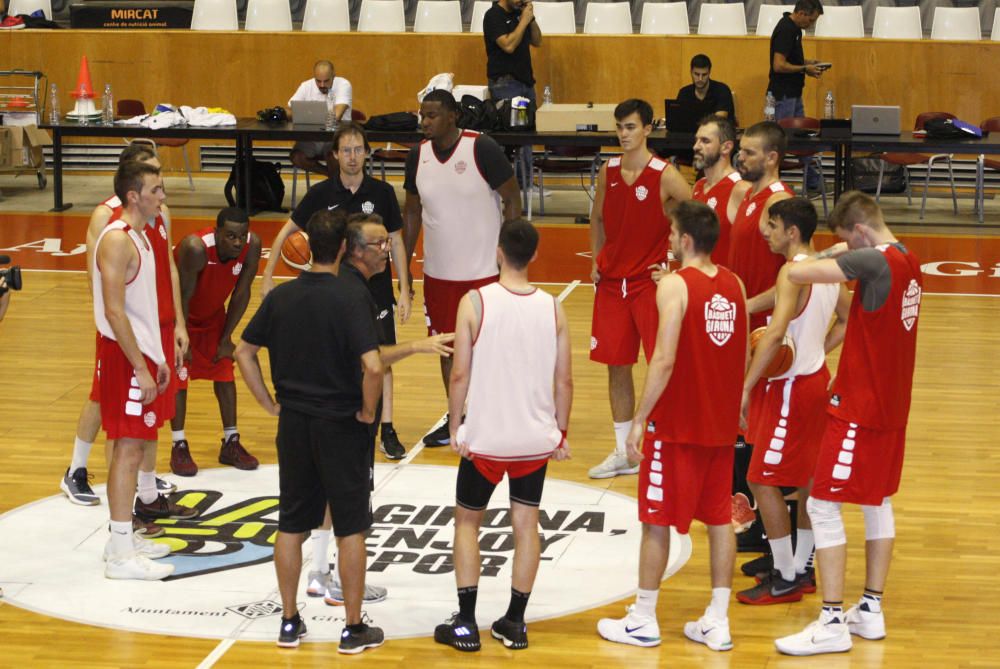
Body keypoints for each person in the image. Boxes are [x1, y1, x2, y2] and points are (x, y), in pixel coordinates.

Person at [775, 192, 922, 655]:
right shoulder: (910, 260)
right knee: (876, 501)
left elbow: (797, 270)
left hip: (859, 405)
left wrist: (828, 253)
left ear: (858, 233)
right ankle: (871, 610)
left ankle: (833, 619)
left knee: (821, 505)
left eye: (846, 239)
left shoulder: (874, 262)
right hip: (892, 406)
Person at [597, 200, 747, 651]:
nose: (666, 239)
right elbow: (738, 351)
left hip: (678, 424)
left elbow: (662, 358)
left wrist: (640, 419)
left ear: (684, 240)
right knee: (720, 520)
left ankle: (643, 617)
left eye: (670, 233)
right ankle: (717, 620)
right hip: (719, 425)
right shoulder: (735, 284)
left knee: (656, 521)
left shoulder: (674, 288)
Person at [235, 209, 385, 654]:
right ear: (342, 247)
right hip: (341, 424)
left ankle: (288, 620)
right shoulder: (349, 297)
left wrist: (267, 402)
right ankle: (353, 629)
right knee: (351, 527)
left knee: (291, 524)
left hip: (294, 423)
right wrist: (367, 410)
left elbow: (243, 352)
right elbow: (374, 366)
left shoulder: (281, 297)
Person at [434, 219, 572, 652]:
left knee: (468, 523)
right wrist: (560, 432)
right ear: (533, 255)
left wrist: (456, 424)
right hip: (533, 441)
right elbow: (564, 381)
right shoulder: (553, 307)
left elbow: (459, 373)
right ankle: (514, 621)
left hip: (487, 440)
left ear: (498, 251)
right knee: (526, 525)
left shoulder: (475, 301)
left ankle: (466, 623)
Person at [304, 213, 454, 607]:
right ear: (354, 250)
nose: (387, 250)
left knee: (326, 493)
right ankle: (338, 580)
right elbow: (371, 359)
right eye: (378, 244)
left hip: (318, 404)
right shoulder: (355, 294)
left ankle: (319, 572)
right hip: (348, 409)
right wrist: (418, 346)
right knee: (352, 503)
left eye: (387, 242)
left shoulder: (338, 284)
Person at [261, 123, 413, 460]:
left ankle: (386, 428)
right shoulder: (321, 194)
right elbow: (287, 230)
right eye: (346, 150)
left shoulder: (382, 193)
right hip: (335, 294)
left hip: (375, 289)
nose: (353, 156)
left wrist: (404, 288)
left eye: (359, 150)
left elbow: (398, 241)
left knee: (383, 355)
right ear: (334, 154)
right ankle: (344, 417)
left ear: (367, 153)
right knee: (340, 355)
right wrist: (268, 273)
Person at [61, 143, 190, 538]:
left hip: (154, 332)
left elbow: (166, 268)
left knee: (145, 426)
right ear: (134, 184)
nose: (162, 192)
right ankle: (80, 472)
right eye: (155, 180)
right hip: (122, 339)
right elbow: (105, 294)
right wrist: (119, 340)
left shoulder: (151, 225)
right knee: (115, 417)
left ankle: (145, 496)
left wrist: (175, 325)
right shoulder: (110, 223)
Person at [734, 197, 850, 606]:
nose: (765, 231)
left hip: (789, 388)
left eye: (772, 224)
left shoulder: (792, 272)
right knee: (805, 482)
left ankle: (785, 577)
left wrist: (745, 386)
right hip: (814, 380)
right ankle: (802, 568)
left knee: (760, 478)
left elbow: (775, 331)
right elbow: (848, 319)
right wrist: (818, 346)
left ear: (792, 232)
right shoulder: (826, 271)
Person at [403, 89, 522, 446]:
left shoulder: (481, 147)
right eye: (422, 115)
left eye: (432, 115)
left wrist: (509, 257)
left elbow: (513, 197)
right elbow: (411, 211)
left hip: (485, 272)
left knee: (490, 350)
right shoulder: (417, 156)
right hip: (438, 274)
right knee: (446, 348)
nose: (424, 122)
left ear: (452, 116)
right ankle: (458, 415)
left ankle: (497, 416)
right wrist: (405, 264)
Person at [587, 98, 691, 480]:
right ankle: (623, 452)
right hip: (613, 284)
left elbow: (697, 215)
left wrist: (677, 265)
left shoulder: (664, 174)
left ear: (648, 128)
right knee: (617, 367)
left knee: (662, 364)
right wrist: (594, 261)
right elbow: (597, 217)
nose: (623, 134)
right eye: (619, 127)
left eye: (630, 127)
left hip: (650, 283)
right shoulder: (607, 169)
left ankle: (667, 447)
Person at [94, 161, 176, 580]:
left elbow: (143, 310)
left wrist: (158, 358)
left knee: (137, 444)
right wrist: (141, 368)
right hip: (124, 360)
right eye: (156, 190)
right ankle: (122, 555)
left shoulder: (142, 236)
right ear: (133, 196)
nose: (163, 197)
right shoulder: (117, 241)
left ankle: (121, 538)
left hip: (143, 357)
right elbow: (114, 311)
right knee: (127, 449)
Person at [727, 120, 793, 540]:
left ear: (771, 157)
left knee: (761, 425)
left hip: (763, 331)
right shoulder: (748, 196)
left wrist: (749, 305)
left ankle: (773, 524)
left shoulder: (779, 201)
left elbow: (795, 274)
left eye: (749, 152)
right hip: (740, 326)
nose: (741, 158)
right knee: (742, 421)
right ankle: (749, 515)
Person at [169, 207, 262, 476]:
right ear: (216, 231)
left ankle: (231, 442)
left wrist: (226, 337)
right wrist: (180, 336)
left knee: (224, 369)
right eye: (230, 236)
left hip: (212, 315)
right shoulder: (195, 248)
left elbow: (242, 292)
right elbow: (182, 297)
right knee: (179, 374)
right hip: (178, 316)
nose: (237, 242)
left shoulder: (251, 245)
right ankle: (179, 445)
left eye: (241, 236)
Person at [483, 0, 542, 188]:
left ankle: (524, 183)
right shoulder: (493, 16)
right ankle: (512, 186)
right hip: (506, 85)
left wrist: (530, 19)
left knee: (527, 135)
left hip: (525, 83)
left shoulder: (521, 14)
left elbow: (537, 41)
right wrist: (523, 21)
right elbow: (508, 45)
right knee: (513, 136)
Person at [768, 0, 826, 191]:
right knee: (781, 142)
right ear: (801, 13)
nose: (811, 24)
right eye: (811, 19)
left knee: (803, 138)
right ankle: (773, 182)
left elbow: (789, 59)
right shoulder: (786, 30)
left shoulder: (795, 30)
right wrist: (805, 69)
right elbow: (778, 65)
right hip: (783, 96)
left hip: (793, 94)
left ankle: (813, 181)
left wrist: (807, 62)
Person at [691, 115, 748, 267]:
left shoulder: (740, 188)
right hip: (699, 282)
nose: (696, 146)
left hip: (724, 285)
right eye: (696, 140)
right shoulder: (698, 186)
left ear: (726, 147)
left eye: (705, 141)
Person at [287, 59, 353, 176]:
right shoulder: (306, 86)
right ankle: (331, 177)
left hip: (336, 137)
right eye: (318, 81)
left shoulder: (343, 84)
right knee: (296, 157)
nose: (322, 85)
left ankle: (335, 183)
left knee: (333, 156)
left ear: (334, 76)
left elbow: (336, 116)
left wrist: (307, 115)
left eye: (326, 81)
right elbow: (289, 111)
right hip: (312, 138)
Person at [677, 54, 737, 125]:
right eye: (696, 74)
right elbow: (679, 120)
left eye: (704, 75)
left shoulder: (722, 90)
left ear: (709, 73)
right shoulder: (684, 93)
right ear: (691, 72)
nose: (700, 79)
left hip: (719, 134)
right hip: (689, 134)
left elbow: (719, 122)